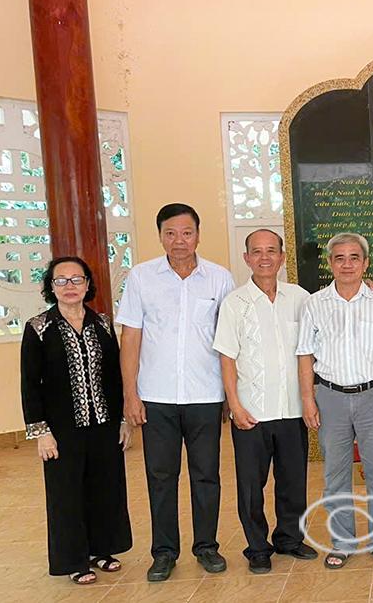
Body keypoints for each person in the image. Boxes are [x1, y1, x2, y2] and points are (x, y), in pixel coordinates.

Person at [117, 203, 235, 581]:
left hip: (205, 395)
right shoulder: (141, 277)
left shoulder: (219, 279)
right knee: (161, 476)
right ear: (161, 236)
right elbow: (131, 337)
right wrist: (130, 395)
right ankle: (164, 552)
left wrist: (232, 396)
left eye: (186, 232)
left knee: (206, 476)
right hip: (156, 397)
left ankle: (206, 547)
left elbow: (230, 342)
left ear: (198, 235)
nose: (179, 240)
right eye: (171, 233)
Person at [20, 256, 132, 584]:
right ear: (50, 287)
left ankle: (102, 550)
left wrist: (124, 421)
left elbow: (115, 376)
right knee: (66, 494)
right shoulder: (39, 328)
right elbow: (30, 384)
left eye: (76, 279)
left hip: (104, 425)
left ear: (87, 284)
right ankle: (74, 559)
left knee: (105, 489)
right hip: (61, 431)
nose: (70, 286)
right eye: (61, 280)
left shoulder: (103, 324)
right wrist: (41, 431)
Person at [213, 229, 318, 574]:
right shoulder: (234, 303)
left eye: (271, 251)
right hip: (251, 412)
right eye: (256, 252)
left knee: (292, 481)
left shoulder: (300, 298)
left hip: (291, 409)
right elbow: (227, 358)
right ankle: (257, 547)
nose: (264, 258)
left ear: (282, 256)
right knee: (250, 486)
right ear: (247, 259)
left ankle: (289, 538)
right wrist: (235, 404)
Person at [297, 232, 373, 569]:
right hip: (330, 398)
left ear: (365, 263)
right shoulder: (314, 304)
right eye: (339, 258)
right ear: (330, 263)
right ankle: (342, 541)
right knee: (336, 474)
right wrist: (307, 400)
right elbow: (304, 355)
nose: (347, 264)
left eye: (354, 257)